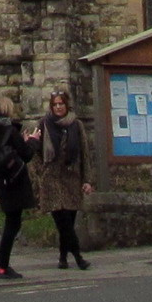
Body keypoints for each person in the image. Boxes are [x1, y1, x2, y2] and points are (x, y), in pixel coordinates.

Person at [0, 96, 40, 279]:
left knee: (12, 221)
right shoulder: (9, 130)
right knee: (12, 223)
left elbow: (2, 152)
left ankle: (2, 265)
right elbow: (27, 154)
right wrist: (33, 140)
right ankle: (1, 266)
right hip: (15, 181)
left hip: (2, 180)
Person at [36, 88, 92, 270]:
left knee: (69, 220)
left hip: (71, 178)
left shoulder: (76, 125)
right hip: (52, 178)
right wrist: (40, 173)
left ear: (67, 105)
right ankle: (78, 257)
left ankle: (62, 257)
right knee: (62, 221)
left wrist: (87, 180)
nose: (58, 107)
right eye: (55, 104)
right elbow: (34, 151)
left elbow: (84, 154)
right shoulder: (44, 123)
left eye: (61, 104)